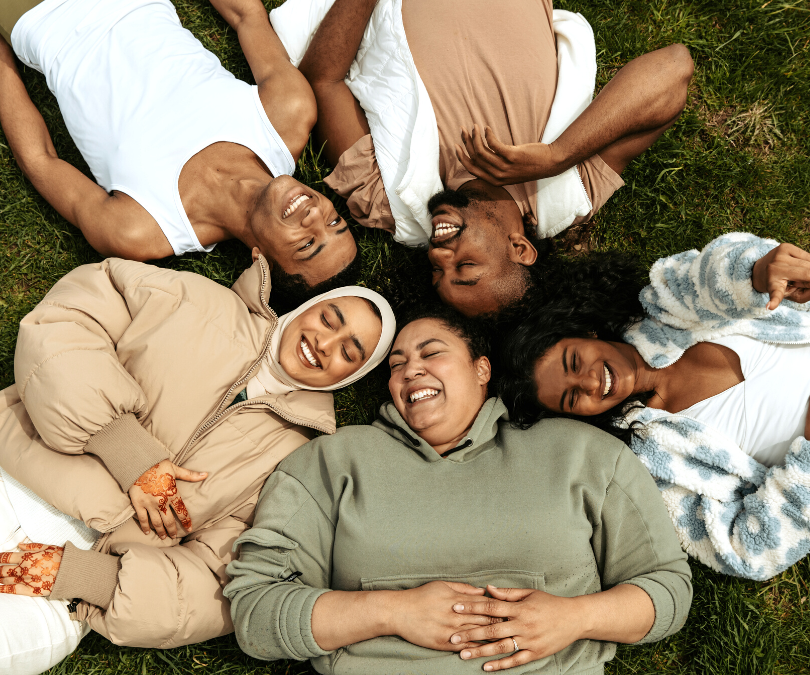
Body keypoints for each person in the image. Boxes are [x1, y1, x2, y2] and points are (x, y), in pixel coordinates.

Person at [224, 305, 692, 674]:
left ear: (481, 369)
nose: (410, 370)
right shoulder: (330, 462)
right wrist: (392, 611)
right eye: (397, 364)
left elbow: (667, 590)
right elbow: (255, 613)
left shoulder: (584, 454)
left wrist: (574, 619)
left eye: (431, 353)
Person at [0, 251, 396, 675]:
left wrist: (87, 578)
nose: (324, 343)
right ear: (308, 306)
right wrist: (127, 450)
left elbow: (222, 578)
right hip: (18, 475)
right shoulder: (194, 302)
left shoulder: (301, 460)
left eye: (349, 352)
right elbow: (72, 318)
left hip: (67, 593)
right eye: (329, 319)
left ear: (353, 375)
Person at [269, 0, 694, 316]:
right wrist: (557, 155)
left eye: (438, 273)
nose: (438, 256)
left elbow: (324, 80)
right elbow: (674, 68)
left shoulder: (385, 198)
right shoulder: (570, 189)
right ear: (520, 248)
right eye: (465, 266)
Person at [0, 0, 359, 308]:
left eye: (308, 244)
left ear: (260, 262)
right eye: (333, 223)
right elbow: (246, 15)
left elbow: (40, 159)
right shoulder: (287, 115)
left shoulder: (140, 228)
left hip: (38, 16)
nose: (315, 214)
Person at [498, 232, 810, 580]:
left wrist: (756, 270)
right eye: (572, 398)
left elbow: (715, 273)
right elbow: (747, 551)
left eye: (574, 361)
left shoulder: (667, 308)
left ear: (586, 332)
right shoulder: (653, 466)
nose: (588, 382)